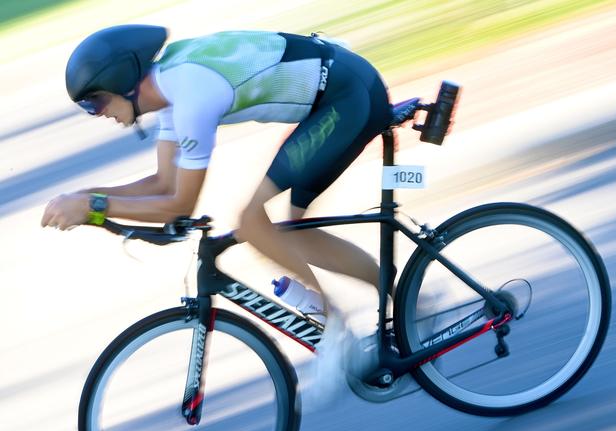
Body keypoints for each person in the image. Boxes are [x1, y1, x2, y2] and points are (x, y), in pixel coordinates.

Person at [42, 25, 392, 359]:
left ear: (120, 82)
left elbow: (178, 205)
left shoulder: (192, 98)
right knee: (291, 233)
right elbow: (163, 184)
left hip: (346, 96)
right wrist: (85, 197)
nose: (96, 114)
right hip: (343, 90)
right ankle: (409, 299)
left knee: (252, 223)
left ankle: (336, 335)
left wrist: (92, 207)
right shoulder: (167, 93)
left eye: (94, 103)